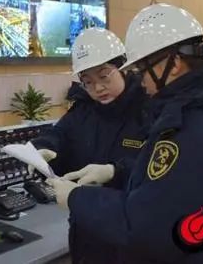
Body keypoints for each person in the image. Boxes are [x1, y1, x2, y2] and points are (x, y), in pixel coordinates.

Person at [48, 3, 203, 264]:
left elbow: (149, 226)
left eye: (143, 69)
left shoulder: (198, 125)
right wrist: (116, 172)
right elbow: (173, 181)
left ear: (173, 63)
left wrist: (76, 197)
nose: (141, 80)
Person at [30, 27, 148, 262]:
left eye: (104, 76)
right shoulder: (84, 109)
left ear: (123, 68)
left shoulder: (148, 108)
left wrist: (115, 171)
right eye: (88, 82)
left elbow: (160, 170)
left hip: (131, 233)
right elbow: (59, 133)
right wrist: (44, 148)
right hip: (86, 231)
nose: (98, 88)